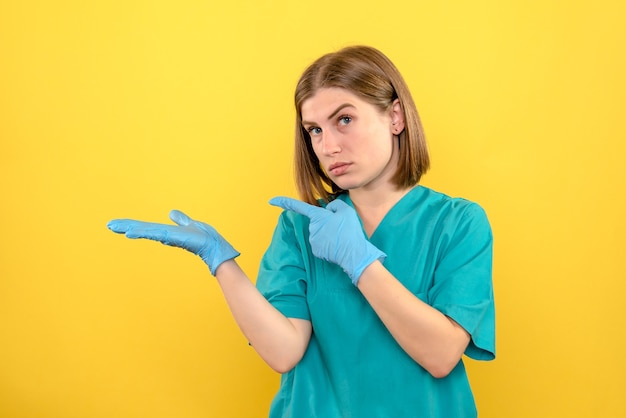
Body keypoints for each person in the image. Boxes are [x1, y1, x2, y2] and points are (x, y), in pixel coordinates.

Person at [107, 45, 495, 417]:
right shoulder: (299, 226)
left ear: (395, 117)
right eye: (314, 130)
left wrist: (359, 262)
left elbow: (442, 355)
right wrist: (221, 262)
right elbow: (284, 352)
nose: (328, 147)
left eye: (344, 119)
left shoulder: (459, 223)